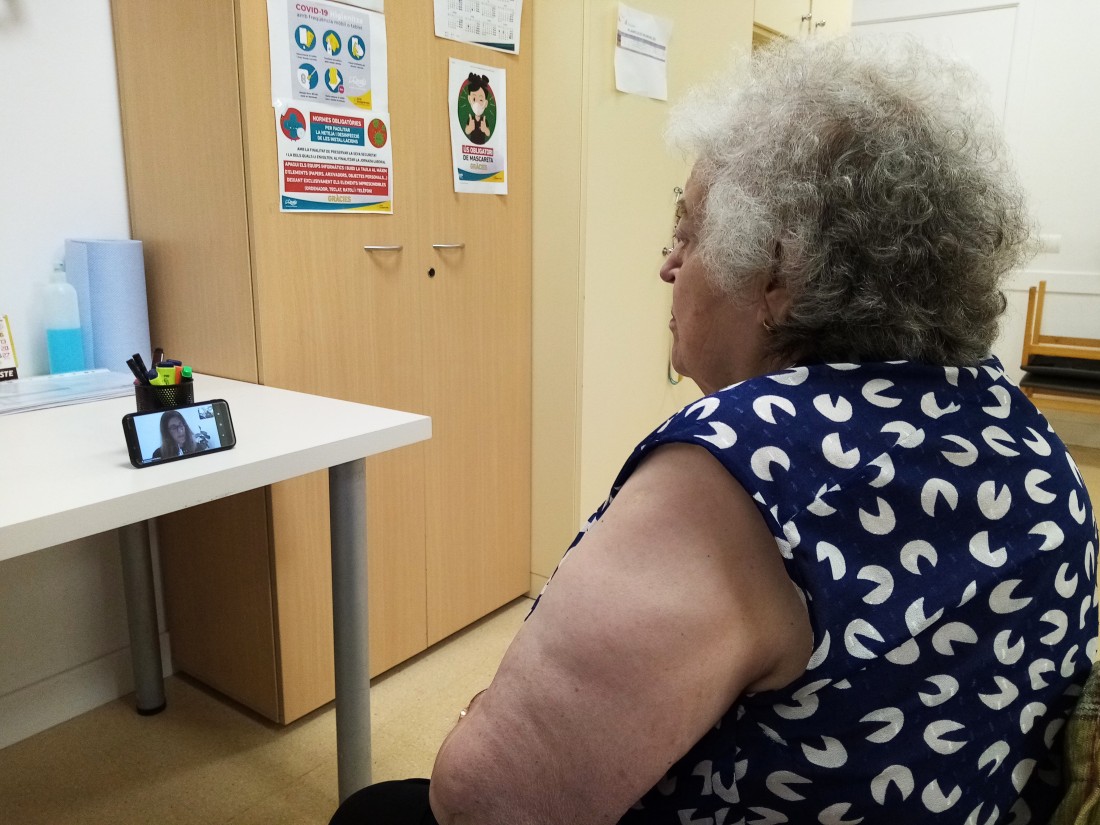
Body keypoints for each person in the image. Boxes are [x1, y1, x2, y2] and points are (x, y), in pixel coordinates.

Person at [332, 35, 1098, 824]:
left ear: (778, 275)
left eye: (688, 229)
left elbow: (488, 801)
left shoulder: (749, 464)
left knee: (379, 813)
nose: (668, 264)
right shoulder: (1031, 439)